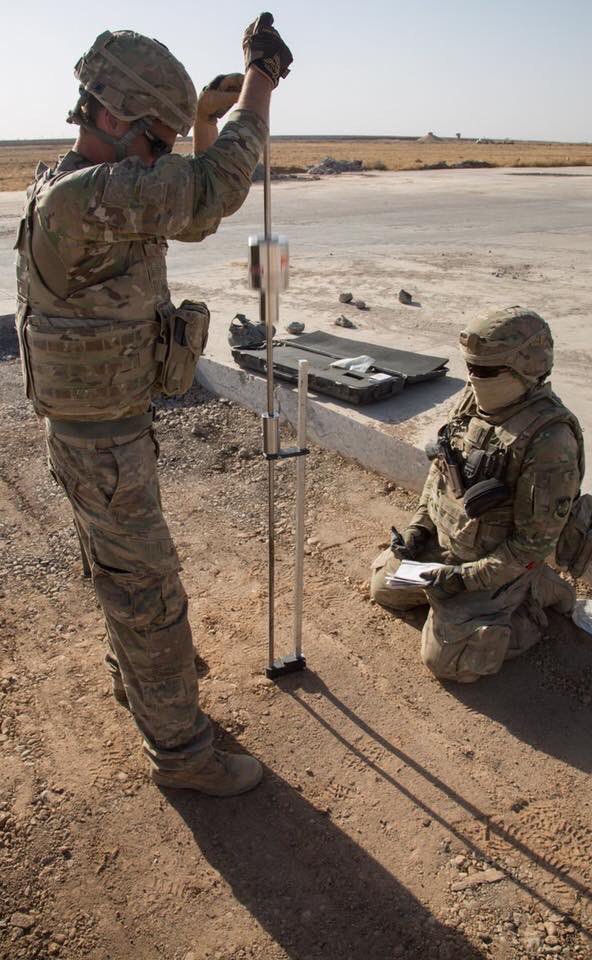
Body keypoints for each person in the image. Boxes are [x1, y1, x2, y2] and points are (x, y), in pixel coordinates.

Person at [15, 16, 292, 795]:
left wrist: (201, 122)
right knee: (149, 590)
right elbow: (219, 189)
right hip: (101, 445)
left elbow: (196, 214)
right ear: (111, 117)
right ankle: (181, 752)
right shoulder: (87, 199)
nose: (160, 159)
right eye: (157, 141)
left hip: (100, 434)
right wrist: (261, 83)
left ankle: (137, 678)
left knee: (123, 575)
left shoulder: (84, 188)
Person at [371, 307, 592, 683]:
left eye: (488, 370)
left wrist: (463, 579)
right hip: (448, 550)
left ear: (528, 368)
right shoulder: (471, 402)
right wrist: (418, 529)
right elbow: (440, 474)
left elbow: (529, 547)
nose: (475, 378)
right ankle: (456, 605)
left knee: (450, 662)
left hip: (497, 566)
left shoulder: (550, 442)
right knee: (384, 586)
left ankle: (534, 597)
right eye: (472, 368)